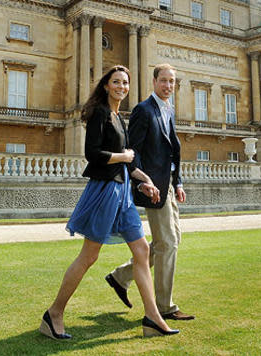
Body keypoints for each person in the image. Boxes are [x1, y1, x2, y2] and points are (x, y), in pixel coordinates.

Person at [39, 65, 179, 340]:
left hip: (124, 190)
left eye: (125, 83)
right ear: (106, 85)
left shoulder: (119, 117)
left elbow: (127, 162)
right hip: (104, 191)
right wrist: (124, 158)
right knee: (89, 256)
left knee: (141, 250)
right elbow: (93, 154)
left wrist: (144, 180)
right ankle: (54, 314)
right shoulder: (100, 113)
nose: (122, 87)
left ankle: (153, 317)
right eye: (116, 82)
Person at [105, 63, 195, 321]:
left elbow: (171, 151)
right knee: (168, 243)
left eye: (172, 82)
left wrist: (178, 182)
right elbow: (134, 151)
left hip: (167, 184)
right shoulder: (144, 110)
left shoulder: (168, 110)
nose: (168, 86)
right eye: (164, 80)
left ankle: (120, 276)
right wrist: (142, 181)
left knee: (170, 240)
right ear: (154, 82)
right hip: (153, 187)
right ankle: (165, 307)